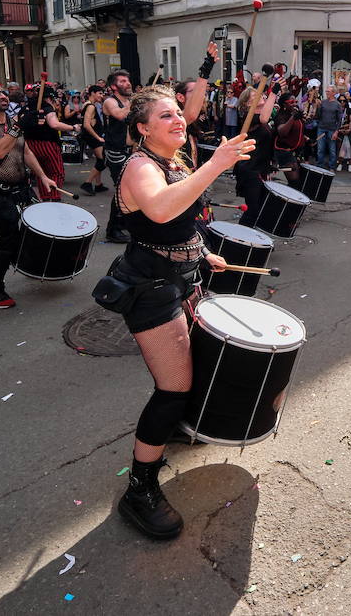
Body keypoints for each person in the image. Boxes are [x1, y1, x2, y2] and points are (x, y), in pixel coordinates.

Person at [102, 86, 254, 539]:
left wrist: (203, 252)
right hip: (150, 289)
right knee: (173, 389)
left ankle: (174, 430)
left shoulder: (174, 161)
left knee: (191, 373)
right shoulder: (139, 167)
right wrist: (216, 164)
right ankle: (140, 488)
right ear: (143, 128)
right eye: (165, 116)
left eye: (178, 114)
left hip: (182, 279)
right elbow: (164, 209)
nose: (177, 120)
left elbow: (185, 217)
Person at [0, 82, 56, 309]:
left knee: (33, 231)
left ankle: (28, 265)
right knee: (8, 240)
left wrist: (43, 176)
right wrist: (17, 127)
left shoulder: (8, 122)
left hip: (21, 187)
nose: (2, 96)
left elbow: (24, 151)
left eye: (4, 93)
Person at [234, 86, 278, 229]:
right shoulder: (249, 117)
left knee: (260, 209)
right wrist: (274, 93)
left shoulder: (263, 116)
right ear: (247, 103)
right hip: (249, 169)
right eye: (255, 95)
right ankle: (238, 242)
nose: (261, 96)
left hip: (261, 168)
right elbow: (264, 118)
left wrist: (272, 163)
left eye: (261, 94)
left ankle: (252, 242)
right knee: (252, 210)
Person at [103, 70, 134, 243]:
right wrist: (133, 103)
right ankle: (112, 229)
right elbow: (120, 115)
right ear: (114, 86)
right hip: (115, 151)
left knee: (131, 190)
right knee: (122, 190)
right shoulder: (109, 101)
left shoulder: (129, 100)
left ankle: (123, 222)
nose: (128, 83)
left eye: (128, 80)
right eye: (123, 81)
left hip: (130, 150)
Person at [79, 85, 109, 196]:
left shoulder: (88, 105)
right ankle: (87, 183)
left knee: (99, 160)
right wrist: (98, 137)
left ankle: (98, 184)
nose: (102, 95)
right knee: (103, 161)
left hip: (92, 136)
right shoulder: (90, 106)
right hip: (93, 137)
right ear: (92, 93)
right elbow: (86, 125)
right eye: (100, 93)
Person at [314, 86, 345, 171]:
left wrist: (336, 132)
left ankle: (332, 167)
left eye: (328, 91)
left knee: (332, 149)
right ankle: (320, 166)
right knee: (320, 149)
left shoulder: (338, 104)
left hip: (332, 129)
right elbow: (318, 115)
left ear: (333, 93)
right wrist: (318, 106)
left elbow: (339, 120)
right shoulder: (323, 102)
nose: (326, 93)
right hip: (321, 128)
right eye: (326, 91)